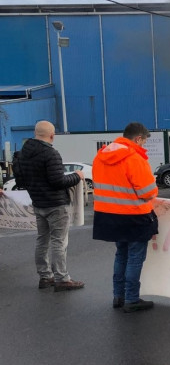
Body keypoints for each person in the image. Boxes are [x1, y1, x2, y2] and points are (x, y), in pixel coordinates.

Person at [92, 122, 159, 312]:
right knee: (135, 258)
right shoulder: (134, 158)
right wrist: (154, 189)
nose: (144, 145)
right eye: (144, 141)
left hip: (108, 215)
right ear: (138, 138)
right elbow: (147, 192)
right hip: (134, 216)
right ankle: (132, 299)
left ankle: (118, 295)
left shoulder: (101, 156)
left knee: (121, 255)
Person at [16, 121, 85, 291]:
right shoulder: (50, 153)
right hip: (55, 204)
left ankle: (45, 277)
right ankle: (62, 278)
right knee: (58, 242)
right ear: (52, 135)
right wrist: (76, 176)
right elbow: (58, 181)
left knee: (42, 240)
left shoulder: (22, 154)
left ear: (35, 133)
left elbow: (21, 181)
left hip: (38, 203)